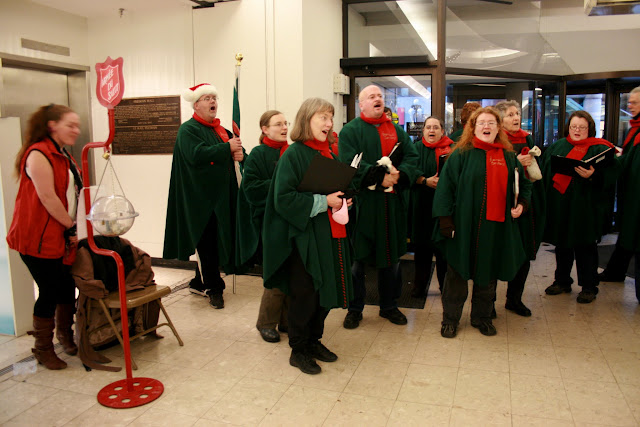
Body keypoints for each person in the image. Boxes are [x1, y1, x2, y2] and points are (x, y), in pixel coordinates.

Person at [262, 98, 353, 375]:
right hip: (303, 238)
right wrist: (324, 202)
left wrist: (343, 200)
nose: (329, 123)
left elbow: (330, 191)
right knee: (306, 295)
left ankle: (314, 341)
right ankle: (298, 349)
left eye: (330, 118)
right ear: (306, 120)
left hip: (328, 234)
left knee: (323, 292)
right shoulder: (294, 154)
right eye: (322, 117)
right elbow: (284, 199)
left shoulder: (328, 154)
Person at [433, 107, 531, 338]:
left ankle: (482, 317)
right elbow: (445, 189)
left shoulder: (509, 157)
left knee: (487, 276)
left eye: (491, 123)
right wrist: (446, 222)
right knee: (456, 276)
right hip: (463, 227)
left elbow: (524, 187)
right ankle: (450, 319)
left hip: (495, 228)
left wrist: (522, 205)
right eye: (481, 123)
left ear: (498, 128)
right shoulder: (460, 154)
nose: (486, 127)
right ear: (473, 127)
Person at [6, 104, 83, 370]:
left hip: (60, 235)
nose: (77, 130)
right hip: (36, 238)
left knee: (65, 287)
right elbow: (48, 198)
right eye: (70, 125)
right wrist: (71, 227)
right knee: (50, 291)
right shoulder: (38, 153)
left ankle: (64, 335)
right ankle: (42, 348)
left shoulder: (63, 155)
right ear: (52, 126)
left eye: (77, 125)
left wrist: (74, 228)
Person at [338, 85, 419, 329]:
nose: (377, 99)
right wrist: (377, 177)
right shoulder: (350, 131)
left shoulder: (395, 130)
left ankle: (389, 306)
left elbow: (412, 157)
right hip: (363, 206)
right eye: (371, 96)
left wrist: (400, 175)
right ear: (360, 104)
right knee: (357, 261)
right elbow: (348, 164)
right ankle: (354, 308)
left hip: (391, 206)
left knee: (392, 259)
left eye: (380, 96)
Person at [163, 83, 244, 309]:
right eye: (207, 98)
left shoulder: (222, 131)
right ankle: (213, 288)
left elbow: (236, 150)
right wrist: (227, 148)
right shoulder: (188, 130)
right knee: (206, 243)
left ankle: (199, 281)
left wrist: (240, 154)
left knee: (216, 243)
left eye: (214, 98)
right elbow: (196, 154)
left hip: (222, 198)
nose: (212, 102)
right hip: (200, 200)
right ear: (196, 104)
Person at [540, 110, 620, 304]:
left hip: (586, 208)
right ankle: (562, 281)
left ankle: (589, 286)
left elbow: (612, 177)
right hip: (561, 206)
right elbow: (545, 173)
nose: (577, 130)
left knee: (586, 248)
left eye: (582, 127)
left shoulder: (600, 149)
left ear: (589, 129)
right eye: (573, 126)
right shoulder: (558, 146)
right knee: (562, 245)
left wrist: (593, 176)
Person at [237, 110, 291, 343]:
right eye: (278, 124)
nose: (284, 127)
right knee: (276, 272)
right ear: (265, 129)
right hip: (271, 223)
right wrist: (282, 185)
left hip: (293, 221)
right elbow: (251, 189)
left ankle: (287, 321)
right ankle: (266, 323)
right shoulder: (258, 154)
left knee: (292, 272)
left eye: (285, 123)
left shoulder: (292, 152)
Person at [493, 100, 546, 317]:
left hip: (524, 204)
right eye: (511, 115)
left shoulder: (526, 138)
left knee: (523, 253)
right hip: (501, 204)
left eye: (517, 114)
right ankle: (488, 300)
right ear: (501, 120)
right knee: (497, 252)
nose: (516, 118)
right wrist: (515, 161)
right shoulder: (495, 139)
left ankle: (514, 299)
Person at [598, 86, 640, 283]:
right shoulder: (635, 128)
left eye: (634, 102)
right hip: (630, 193)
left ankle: (615, 272)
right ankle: (615, 271)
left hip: (636, 195)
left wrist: (617, 160)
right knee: (627, 234)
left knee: (631, 234)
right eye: (630, 101)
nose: (629, 105)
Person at [409, 116, 452, 298]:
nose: (432, 130)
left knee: (443, 252)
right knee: (422, 251)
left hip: (443, 208)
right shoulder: (415, 149)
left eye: (436, 127)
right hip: (422, 207)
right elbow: (409, 171)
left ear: (443, 131)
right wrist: (425, 181)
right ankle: (419, 287)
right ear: (423, 131)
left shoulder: (452, 149)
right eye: (428, 127)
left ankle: (446, 288)